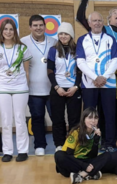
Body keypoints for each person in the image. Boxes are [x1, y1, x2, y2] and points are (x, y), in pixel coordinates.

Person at [76, 11, 117, 152]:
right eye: (94, 21)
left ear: (103, 22)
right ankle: (89, 143)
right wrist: (95, 78)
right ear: (89, 23)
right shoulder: (82, 40)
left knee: (109, 114)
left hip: (109, 83)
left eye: (100, 20)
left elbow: (115, 60)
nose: (97, 23)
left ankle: (109, 143)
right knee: (90, 116)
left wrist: (104, 77)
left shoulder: (110, 39)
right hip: (89, 84)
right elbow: (80, 62)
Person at [21, 15, 57, 156]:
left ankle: (59, 144)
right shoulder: (23, 42)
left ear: (45, 26)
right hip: (33, 90)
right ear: (30, 27)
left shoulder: (53, 41)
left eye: (41, 25)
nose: (38, 28)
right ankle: (39, 145)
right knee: (37, 117)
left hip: (52, 89)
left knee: (57, 118)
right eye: (35, 25)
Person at [0, 19, 32, 162]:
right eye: (5, 29)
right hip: (2, 88)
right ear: (2, 31)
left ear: (15, 31)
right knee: (6, 121)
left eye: (11, 29)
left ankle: (23, 151)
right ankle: (7, 151)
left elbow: (27, 71)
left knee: (19, 119)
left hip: (20, 87)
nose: (8, 32)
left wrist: (26, 82)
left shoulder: (22, 48)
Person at [47, 22, 82, 152]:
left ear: (71, 35)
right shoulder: (53, 50)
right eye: (60, 33)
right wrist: (57, 87)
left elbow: (80, 71)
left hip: (73, 89)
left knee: (74, 119)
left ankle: (72, 144)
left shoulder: (78, 49)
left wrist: (75, 87)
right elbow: (50, 71)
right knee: (58, 119)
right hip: (58, 89)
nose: (63, 36)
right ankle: (59, 144)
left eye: (66, 33)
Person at [54, 107, 111, 184]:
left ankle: (81, 175)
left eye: (96, 118)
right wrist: (84, 166)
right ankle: (91, 173)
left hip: (87, 162)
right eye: (90, 117)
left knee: (107, 155)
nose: (93, 121)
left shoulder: (96, 133)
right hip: (74, 162)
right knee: (59, 155)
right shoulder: (75, 132)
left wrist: (96, 140)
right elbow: (68, 154)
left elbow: (93, 156)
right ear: (84, 119)